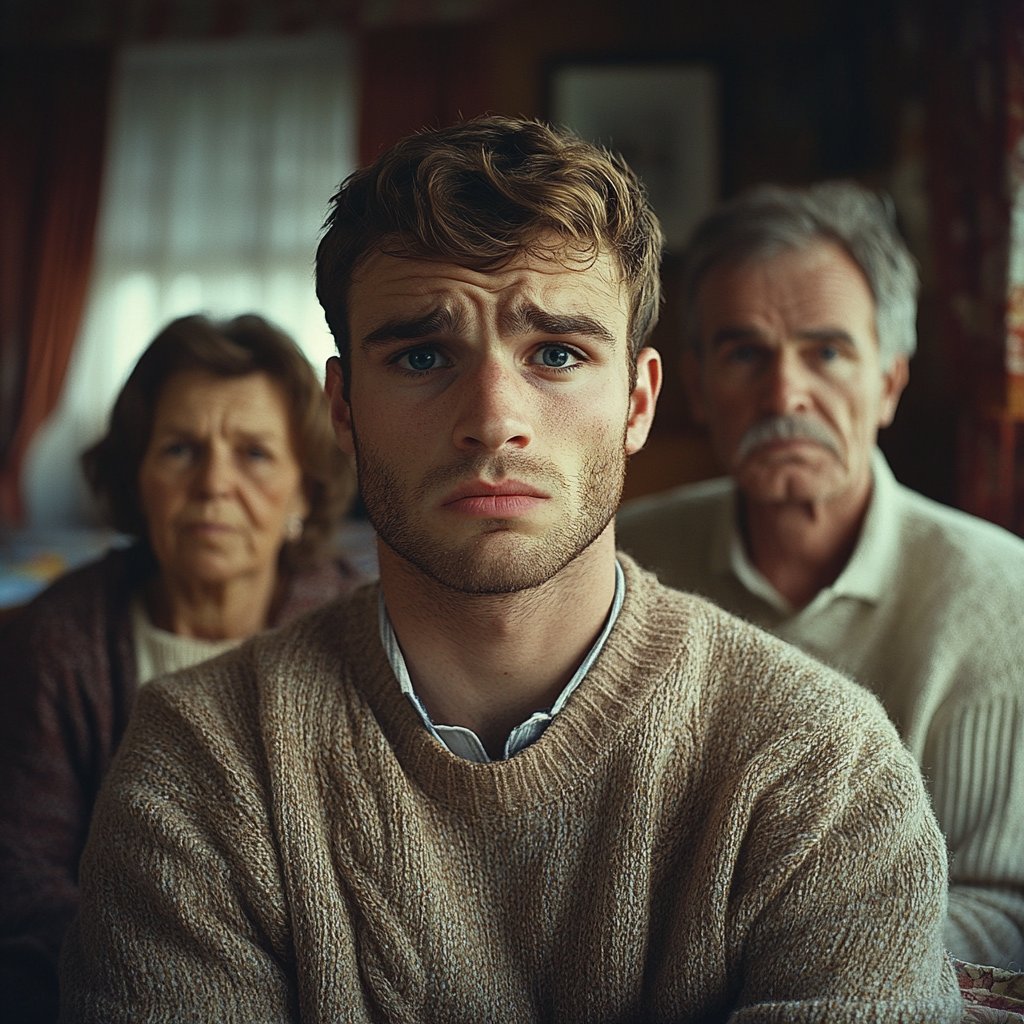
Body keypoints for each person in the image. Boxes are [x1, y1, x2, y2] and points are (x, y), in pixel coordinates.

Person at [58, 117, 962, 1022]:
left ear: (638, 402)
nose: (494, 418)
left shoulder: (821, 771)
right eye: (421, 355)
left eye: (558, 353)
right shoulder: (202, 761)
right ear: (343, 411)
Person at [617, 180, 1024, 968]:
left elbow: (999, 909)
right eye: (745, 353)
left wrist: (773, 960)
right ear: (695, 387)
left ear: (889, 383)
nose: (785, 392)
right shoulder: (628, 563)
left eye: (828, 351)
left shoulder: (1002, 600)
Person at [0, 313, 363, 1023]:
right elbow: (23, 883)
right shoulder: (57, 641)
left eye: (254, 454)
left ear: (305, 491)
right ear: (137, 479)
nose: (213, 484)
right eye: (179, 449)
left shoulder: (356, 636)